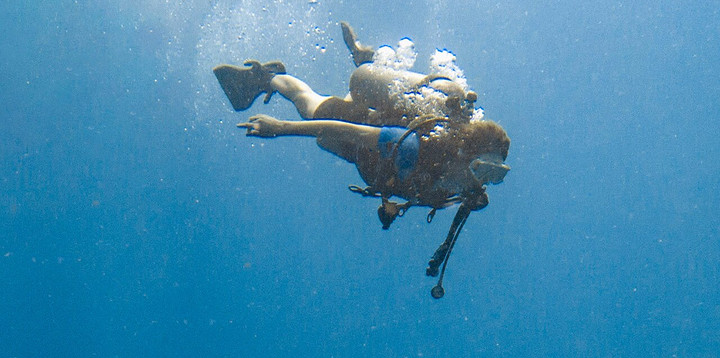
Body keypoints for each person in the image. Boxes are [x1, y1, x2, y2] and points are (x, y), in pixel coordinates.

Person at [213, 22, 510, 297]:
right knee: (311, 106)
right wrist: (280, 128)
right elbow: (348, 131)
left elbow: (419, 191)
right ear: (462, 154)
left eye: (496, 176)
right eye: (481, 169)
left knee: (328, 140)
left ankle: (370, 63)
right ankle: (269, 76)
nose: (483, 182)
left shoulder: (458, 191)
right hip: (371, 136)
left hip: (372, 159)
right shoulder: (416, 148)